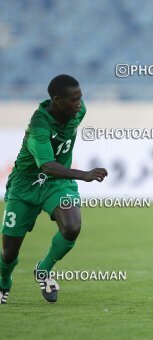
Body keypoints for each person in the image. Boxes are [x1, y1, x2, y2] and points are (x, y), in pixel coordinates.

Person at [0, 75, 108, 304]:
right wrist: (85, 175)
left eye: (80, 98)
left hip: (57, 184)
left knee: (72, 227)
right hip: (25, 184)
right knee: (9, 252)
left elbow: (53, 170)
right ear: (57, 100)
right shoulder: (38, 126)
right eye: (73, 100)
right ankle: (3, 281)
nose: (79, 104)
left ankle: (44, 269)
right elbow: (47, 166)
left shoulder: (78, 111)